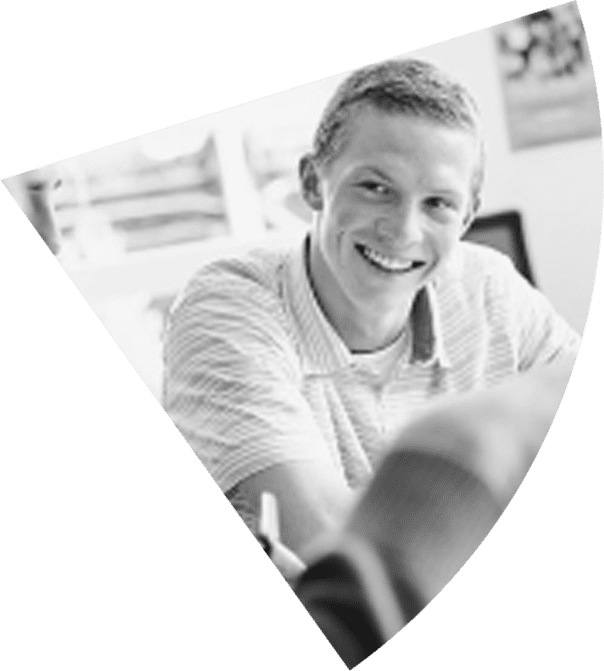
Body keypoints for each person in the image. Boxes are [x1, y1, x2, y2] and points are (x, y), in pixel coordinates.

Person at [163, 59, 580, 562]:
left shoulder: (490, 288)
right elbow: (340, 549)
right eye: (376, 188)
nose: (403, 231)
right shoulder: (228, 308)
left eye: (438, 203)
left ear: (467, 216)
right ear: (313, 183)